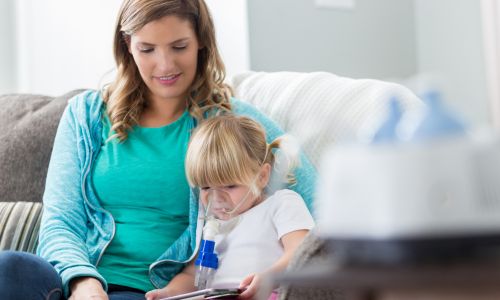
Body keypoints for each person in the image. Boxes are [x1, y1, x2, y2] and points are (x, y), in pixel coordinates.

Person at [0, 0, 316, 299]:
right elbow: (60, 221)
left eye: (179, 47)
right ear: (127, 45)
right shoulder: (86, 115)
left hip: (156, 291)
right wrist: (84, 281)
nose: (165, 65)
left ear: (201, 42)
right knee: (9, 268)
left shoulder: (228, 123)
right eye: (147, 49)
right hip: (73, 283)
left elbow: (318, 198)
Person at [145, 115, 315, 300]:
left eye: (230, 186)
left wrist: (269, 278)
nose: (216, 198)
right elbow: (192, 275)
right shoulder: (210, 225)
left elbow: (302, 254)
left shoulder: (281, 204)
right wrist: (168, 292)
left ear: (262, 176)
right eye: (206, 187)